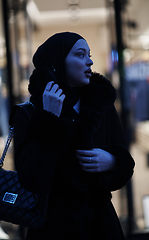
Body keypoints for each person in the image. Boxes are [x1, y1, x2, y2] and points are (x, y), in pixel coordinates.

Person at [12, 32, 135, 240]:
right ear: (57, 62)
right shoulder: (30, 112)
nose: (90, 61)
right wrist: (49, 119)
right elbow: (31, 178)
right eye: (80, 55)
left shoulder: (101, 105)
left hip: (101, 224)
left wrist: (112, 161)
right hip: (51, 226)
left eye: (89, 54)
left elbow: (125, 160)